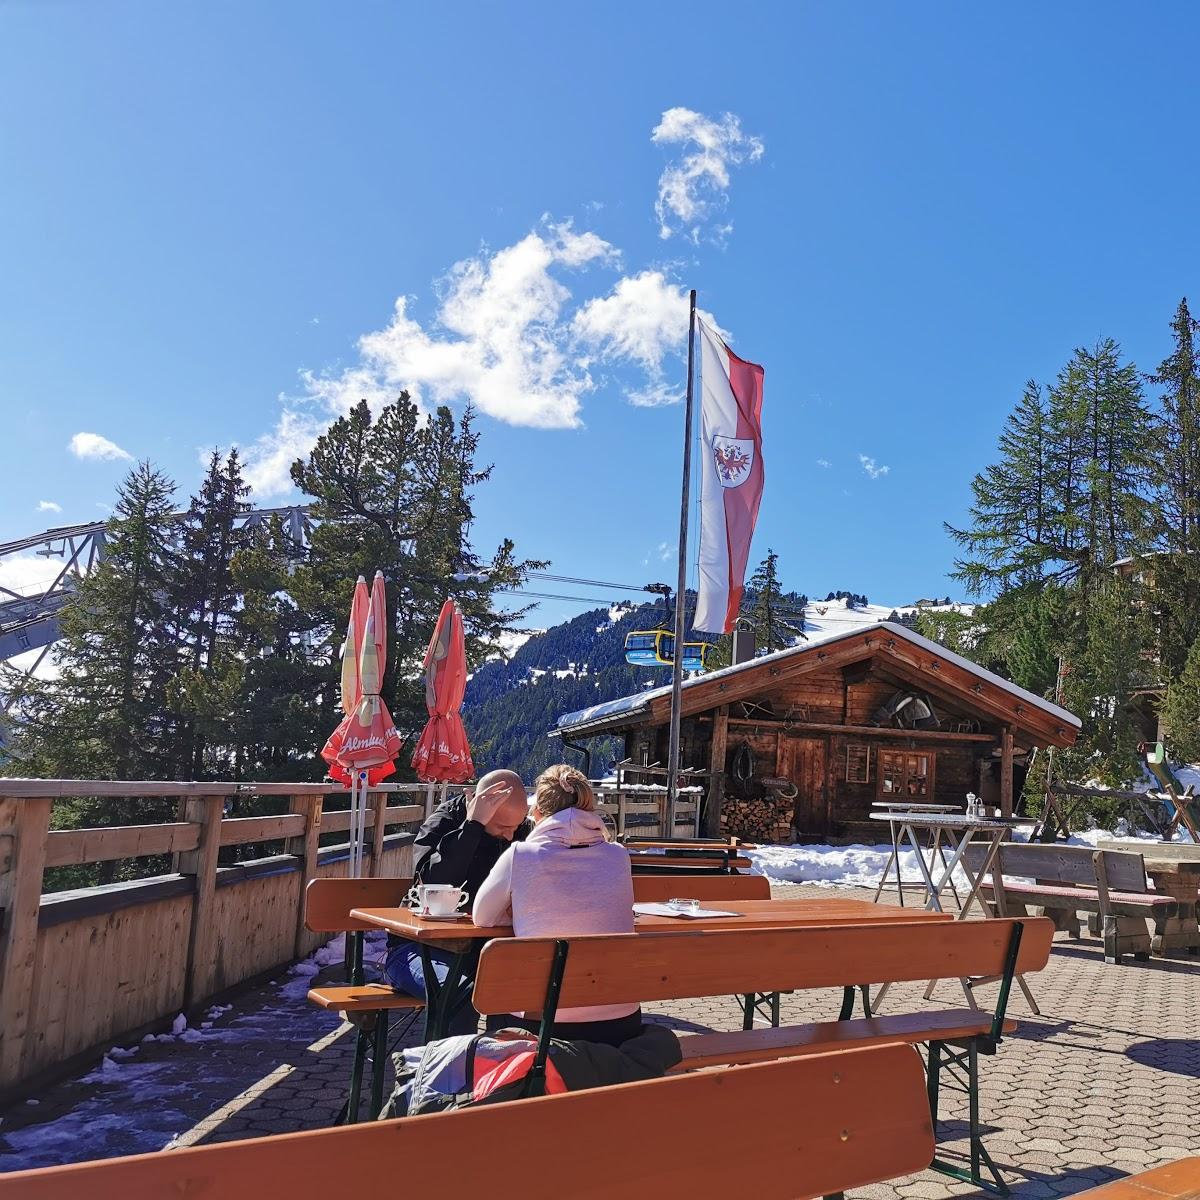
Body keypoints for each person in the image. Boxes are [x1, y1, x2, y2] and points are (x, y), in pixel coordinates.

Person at [472, 763, 640, 1047]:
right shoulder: (618, 856)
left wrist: (522, 914)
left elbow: (483, 918)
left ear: (537, 813)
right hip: (619, 1020)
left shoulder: (520, 855)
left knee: (503, 1009)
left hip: (542, 1026)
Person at [383, 769, 531, 1035]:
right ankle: (449, 1073)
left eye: (516, 827)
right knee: (460, 997)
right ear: (477, 804)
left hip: (484, 950)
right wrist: (472, 828)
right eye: (501, 828)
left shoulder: (521, 832)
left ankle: (504, 1071)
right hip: (418, 949)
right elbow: (430, 884)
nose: (510, 837)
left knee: (517, 993)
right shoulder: (445, 821)